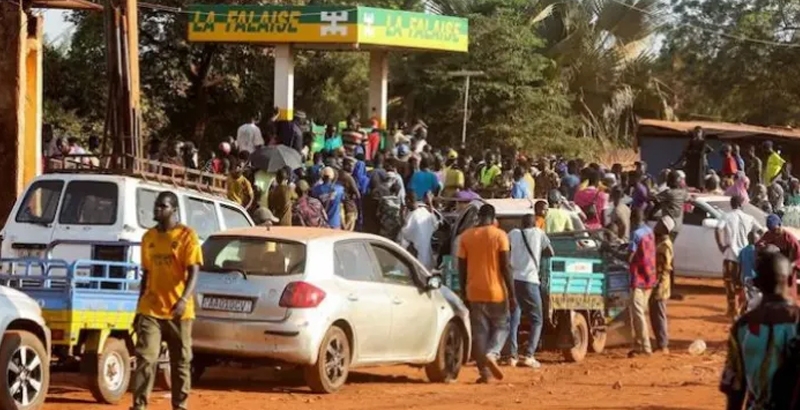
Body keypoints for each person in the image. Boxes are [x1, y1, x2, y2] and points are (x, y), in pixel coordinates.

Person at [131, 192, 202, 410]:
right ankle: (139, 405)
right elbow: (146, 274)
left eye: (162, 206)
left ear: (174, 210)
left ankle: (180, 405)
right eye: (156, 206)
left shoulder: (187, 236)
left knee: (181, 362)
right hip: (151, 308)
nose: (157, 210)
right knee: (146, 359)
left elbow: (194, 271)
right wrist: (138, 309)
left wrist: (183, 299)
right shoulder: (148, 238)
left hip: (179, 311)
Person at [720, 250, 800, 410]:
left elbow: (735, 390)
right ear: (791, 280)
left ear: (757, 284)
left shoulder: (742, 326)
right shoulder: (796, 322)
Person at [458, 204, 514, 383]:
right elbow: (506, 266)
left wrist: (464, 291)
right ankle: (493, 353)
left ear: (478, 217)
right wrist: (512, 294)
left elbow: (461, 268)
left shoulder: (466, 237)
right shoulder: (500, 235)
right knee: (502, 325)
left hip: (474, 291)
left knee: (480, 333)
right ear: (493, 217)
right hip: (496, 291)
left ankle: (485, 373)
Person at [506, 214, 553, 368]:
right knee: (537, 319)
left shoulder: (513, 234)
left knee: (514, 318)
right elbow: (550, 251)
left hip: (513, 280)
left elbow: (506, 249)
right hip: (530, 280)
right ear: (534, 224)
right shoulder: (538, 233)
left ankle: (511, 356)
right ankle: (529, 355)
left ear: (522, 223)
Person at [715, 194, 760, 318]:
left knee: (729, 282)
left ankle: (732, 308)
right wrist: (755, 246)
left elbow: (718, 229)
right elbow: (760, 231)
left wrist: (721, 245)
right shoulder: (749, 218)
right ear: (741, 204)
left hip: (730, 254)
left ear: (732, 204)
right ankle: (742, 309)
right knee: (743, 283)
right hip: (744, 256)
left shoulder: (726, 216)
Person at [627, 208, 657, 357]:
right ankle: (638, 345)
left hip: (638, 278)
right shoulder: (649, 231)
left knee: (637, 313)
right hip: (649, 277)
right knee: (639, 313)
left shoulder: (636, 234)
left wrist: (610, 251)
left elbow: (629, 257)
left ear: (632, 220)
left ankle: (645, 347)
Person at [757, 214, 800, 300]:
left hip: (787, 273)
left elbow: (798, 257)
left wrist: (790, 266)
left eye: (775, 230)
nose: (773, 233)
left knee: (788, 296)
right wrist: (761, 246)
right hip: (773, 271)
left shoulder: (790, 239)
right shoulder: (768, 235)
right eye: (771, 230)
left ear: (780, 225)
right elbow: (758, 245)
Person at [650, 215, 674, 354]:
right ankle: (660, 342)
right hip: (659, 282)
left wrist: (655, 283)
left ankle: (663, 344)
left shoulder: (664, 246)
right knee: (656, 314)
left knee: (658, 314)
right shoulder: (661, 242)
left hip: (660, 284)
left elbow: (663, 267)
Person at [400, 192, 438, 270]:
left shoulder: (412, 216)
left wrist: (401, 216)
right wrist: (430, 203)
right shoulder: (425, 212)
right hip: (427, 255)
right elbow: (435, 224)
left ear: (408, 200)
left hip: (417, 255)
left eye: (406, 201)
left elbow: (405, 233)